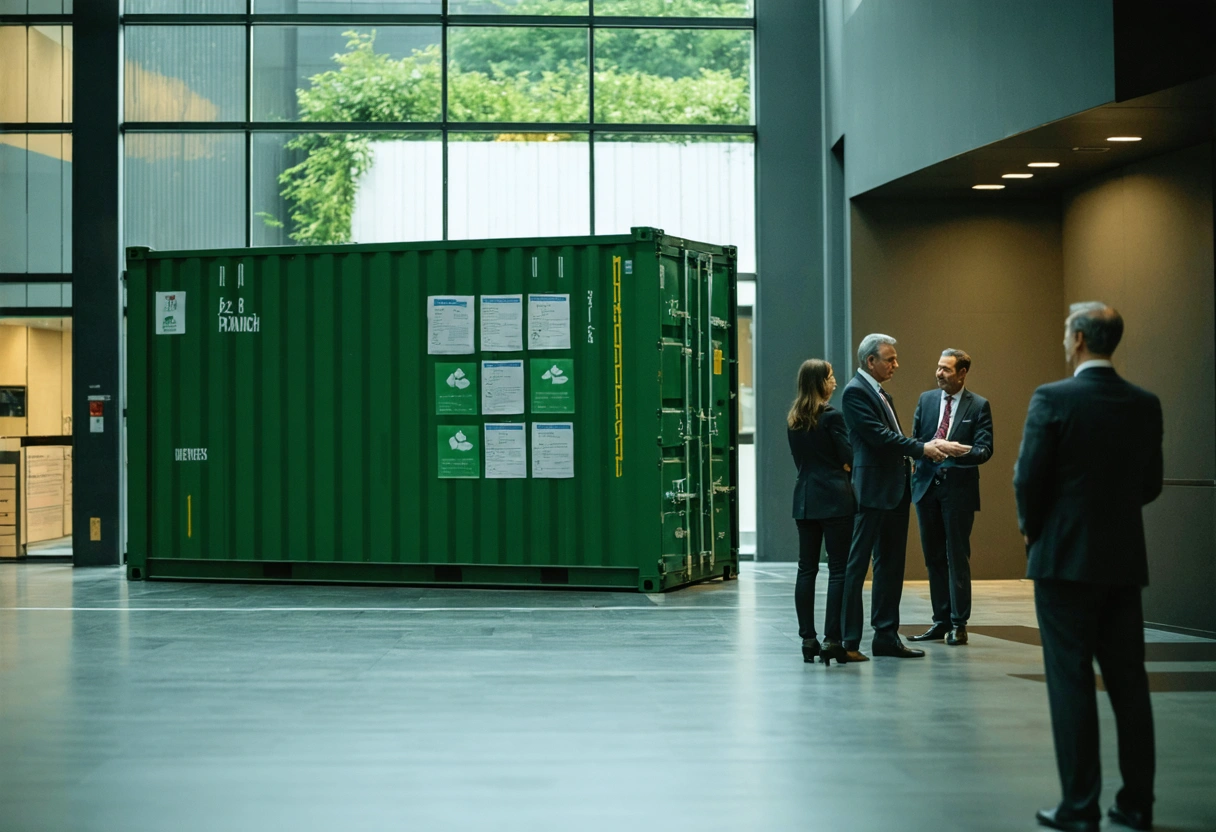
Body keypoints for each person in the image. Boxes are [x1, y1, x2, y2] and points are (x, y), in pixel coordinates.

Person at [1014, 302, 1162, 832]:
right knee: (1129, 683)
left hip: (1061, 561)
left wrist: (1033, 527)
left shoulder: (1053, 398)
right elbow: (1150, 485)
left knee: (1070, 680)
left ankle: (1079, 807)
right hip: (1122, 562)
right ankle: (1137, 804)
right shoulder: (1144, 404)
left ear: (1077, 339)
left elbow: (1028, 477)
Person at [839, 334, 970, 661]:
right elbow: (880, 438)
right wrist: (924, 448)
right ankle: (849, 640)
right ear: (871, 361)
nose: (896, 364)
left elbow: (893, 439)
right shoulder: (856, 392)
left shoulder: (879, 393)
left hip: (894, 491)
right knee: (857, 568)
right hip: (871, 492)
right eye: (890, 359)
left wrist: (921, 451)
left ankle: (885, 636)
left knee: (890, 566)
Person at [908, 349, 994, 647]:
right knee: (933, 557)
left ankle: (959, 624)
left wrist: (962, 450)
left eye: (946, 369)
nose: (939, 373)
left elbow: (985, 450)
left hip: (958, 491)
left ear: (962, 373)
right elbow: (915, 440)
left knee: (957, 556)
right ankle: (940, 620)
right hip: (926, 488)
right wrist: (923, 449)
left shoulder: (979, 406)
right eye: (938, 367)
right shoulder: (926, 400)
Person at [787, 359, 857, 666]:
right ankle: (832, 639)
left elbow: (800, 462)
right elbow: (848, 456)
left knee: (806, 569)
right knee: (838, 569)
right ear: (819, 382)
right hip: (835, 499)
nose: (835, 382)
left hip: (804, 499)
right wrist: (842, 465)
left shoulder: (793, 420)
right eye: (830, 378)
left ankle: (807, 639)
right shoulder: (832, 416)